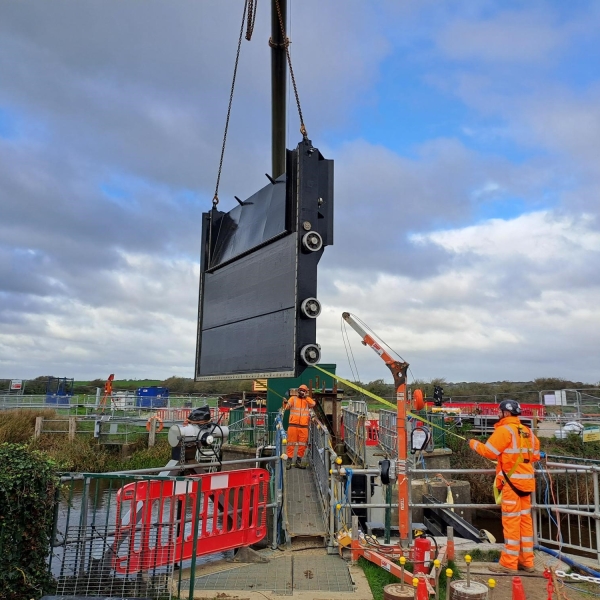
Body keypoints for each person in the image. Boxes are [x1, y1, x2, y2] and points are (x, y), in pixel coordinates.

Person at [469, 399, 540, 574]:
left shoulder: (504, 431)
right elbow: (536, 455)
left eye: (499, 411)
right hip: (526, 483)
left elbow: (489, 451)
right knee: (525, 523)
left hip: (512, 485)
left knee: (511, 523)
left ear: (506, 413)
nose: (497, 413)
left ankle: (509, 563)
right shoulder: (528, 431)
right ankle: (527, 562)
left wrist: (473, 443)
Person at [284, 384, 315, 469]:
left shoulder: (307, 400)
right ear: (298, 391)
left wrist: (306, 397)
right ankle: (289, 461)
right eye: (301, 390)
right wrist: (285, 402)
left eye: (304, 391)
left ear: (306, 392)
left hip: (304, 426)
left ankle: (298, 461)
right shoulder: (293, 398)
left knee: (302, 445)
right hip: (293, 425)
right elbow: (287, 407)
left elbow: (313, 404)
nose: (302, 392)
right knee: (291, 444)